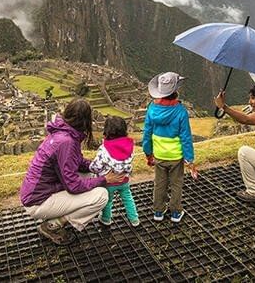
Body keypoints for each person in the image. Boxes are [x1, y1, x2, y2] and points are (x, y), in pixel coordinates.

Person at [20, 99, 124, 245]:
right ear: (85, 121)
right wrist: (105, 179)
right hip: (38, 201)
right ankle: (52, 225)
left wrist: (97, 165)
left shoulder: (63, 132)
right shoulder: (67, 142)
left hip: (40, 191)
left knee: (93, 175)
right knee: (101, 195)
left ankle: (55, 216)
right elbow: (73, 186)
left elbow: (77, 162)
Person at [142, 72, 196, 223]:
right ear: (175, 92)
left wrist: (148, 153)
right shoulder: (181, 112)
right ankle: (175, 213)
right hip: (176, 157)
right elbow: (186, 138)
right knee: (176, 184)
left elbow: (147, 133)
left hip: (159, 155)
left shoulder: (152, 110)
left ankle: (158, 212)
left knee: (159, 184)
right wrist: (189, 158)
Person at [89, 116, 140, 227]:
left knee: (108, 201)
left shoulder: (104, 148)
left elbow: (96, 166)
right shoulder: (129, 145)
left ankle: (106, 219)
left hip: (109, 181)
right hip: (124, 179)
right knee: (128, 199)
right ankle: (134, 219)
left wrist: (91, 169)